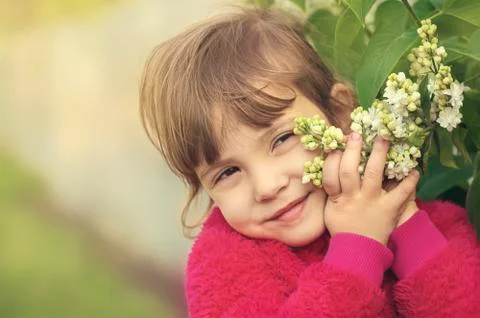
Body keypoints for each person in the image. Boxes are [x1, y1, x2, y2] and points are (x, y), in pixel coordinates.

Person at [139, 6, 480, 317]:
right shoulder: (223, 266)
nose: (267, 186)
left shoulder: (429, 218)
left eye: (283, 139)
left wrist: (405, 224)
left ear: (341, 113)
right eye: (228, 172)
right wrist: (357, 254)